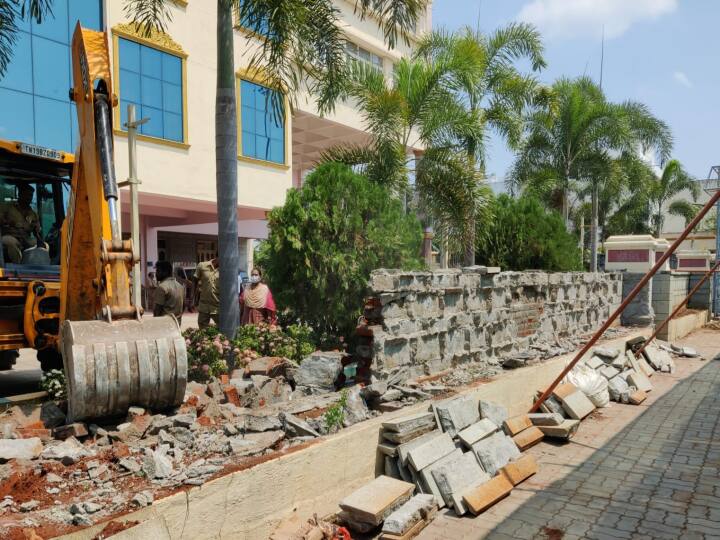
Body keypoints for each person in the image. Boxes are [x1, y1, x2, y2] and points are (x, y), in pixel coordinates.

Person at [1, 184, 41, 263]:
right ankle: (18, 268)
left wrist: (36, 228)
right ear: (20, 194)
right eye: (27, 195)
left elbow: (37, 230)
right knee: (11, 243)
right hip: (8, 235)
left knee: (43, 246)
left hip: (26, 238)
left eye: (31, 195)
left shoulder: (33, 213)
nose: (29, 198)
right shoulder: (7, 206)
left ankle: (39, 269)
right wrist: (7, 222)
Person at [193, 257, 219, 328]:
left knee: (222, 330)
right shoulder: (202, 266)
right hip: (204, 306)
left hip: (217, 307)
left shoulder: (224, 269)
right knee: (202, 330)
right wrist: (193, 299)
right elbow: (195, 282)